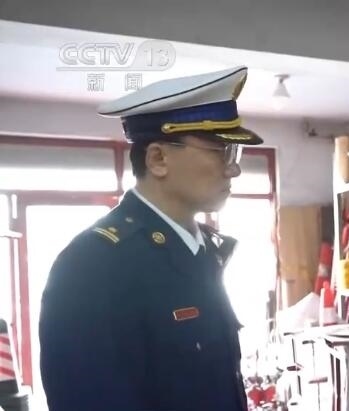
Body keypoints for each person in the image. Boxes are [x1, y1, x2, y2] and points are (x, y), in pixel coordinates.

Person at [38, 66, 264, 411]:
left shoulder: (201, 249)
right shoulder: (94, 264)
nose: (234, 168)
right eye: (222, 151)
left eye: (236, 153)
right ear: (158, 158)